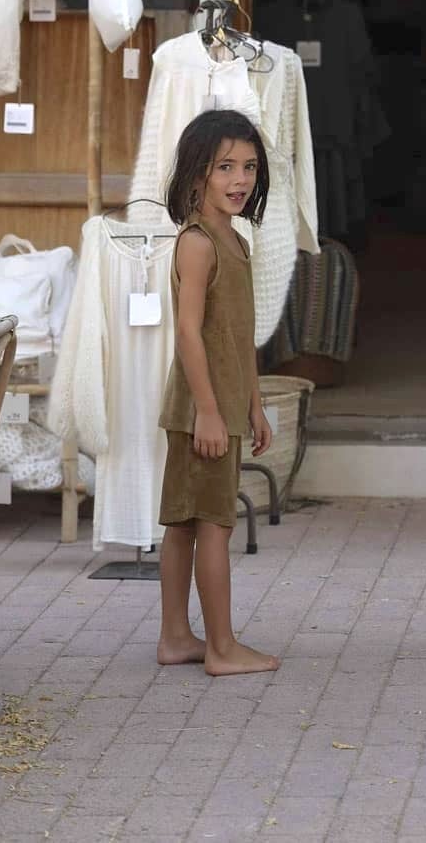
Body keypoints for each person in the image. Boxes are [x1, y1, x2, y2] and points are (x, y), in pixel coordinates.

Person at [155, 109, 280, 677]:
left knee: (186, 522)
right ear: (197, 172)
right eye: (225, 166)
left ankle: (176, 637)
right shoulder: (198, 243)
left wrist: (254, 404)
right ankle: (222, 648)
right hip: (201, 410)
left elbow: (238, 333)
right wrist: (208, 410)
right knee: (212, 526)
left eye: (249, 167)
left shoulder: (236, 240)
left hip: (222, 406)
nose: (240, 179)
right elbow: (187, 332)